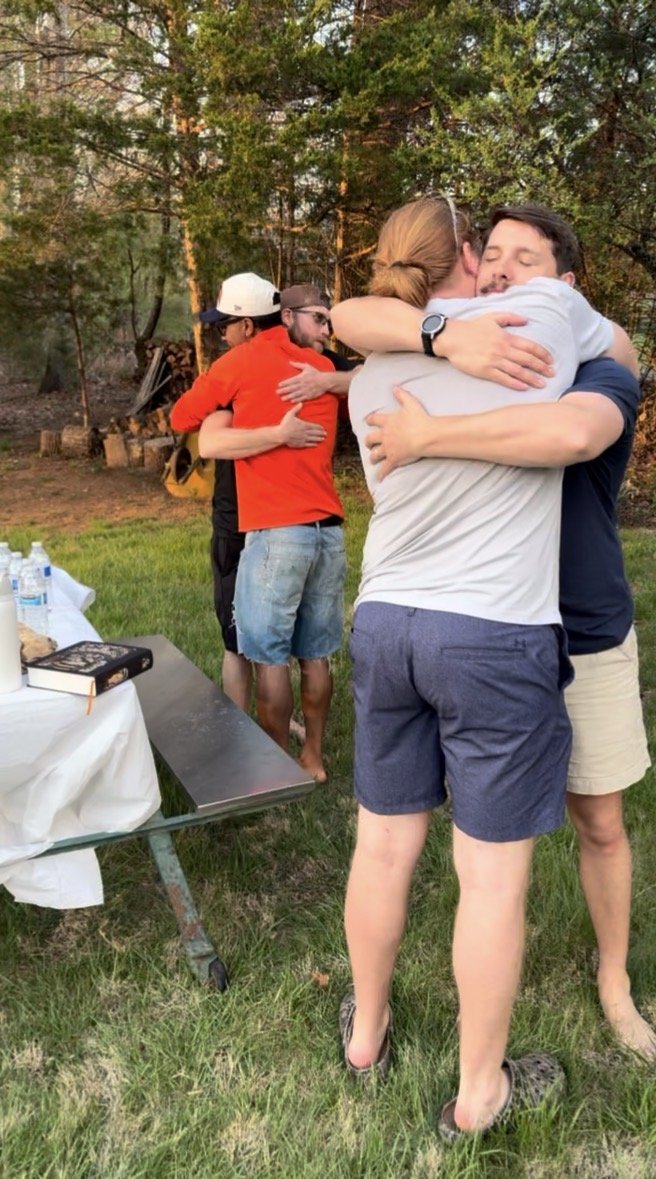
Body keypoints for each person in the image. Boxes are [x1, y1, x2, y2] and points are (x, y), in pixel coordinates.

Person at [336, 196, 633, 1141]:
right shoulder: (540, 317)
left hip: (386, 621)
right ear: (468, 255)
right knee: (491, 878)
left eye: (523, 254)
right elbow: (621, 346)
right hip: (492, 632)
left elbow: (342, 317)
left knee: (381, 844)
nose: (506, 266)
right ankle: (479, 1091)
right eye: (491, 249)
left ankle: (367, 1036)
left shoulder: (373, 369)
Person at [173, 273, 347, 784]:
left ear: (246, 323)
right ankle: (312, 758)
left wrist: (236, 408)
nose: (221, 335)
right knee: (315, 654)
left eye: (225, 326)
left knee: (269, 656)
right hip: (328, 530)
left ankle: (272, 774)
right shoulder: (319, 367)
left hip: (275, 532)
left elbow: (183, 416)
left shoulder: (238, 363)